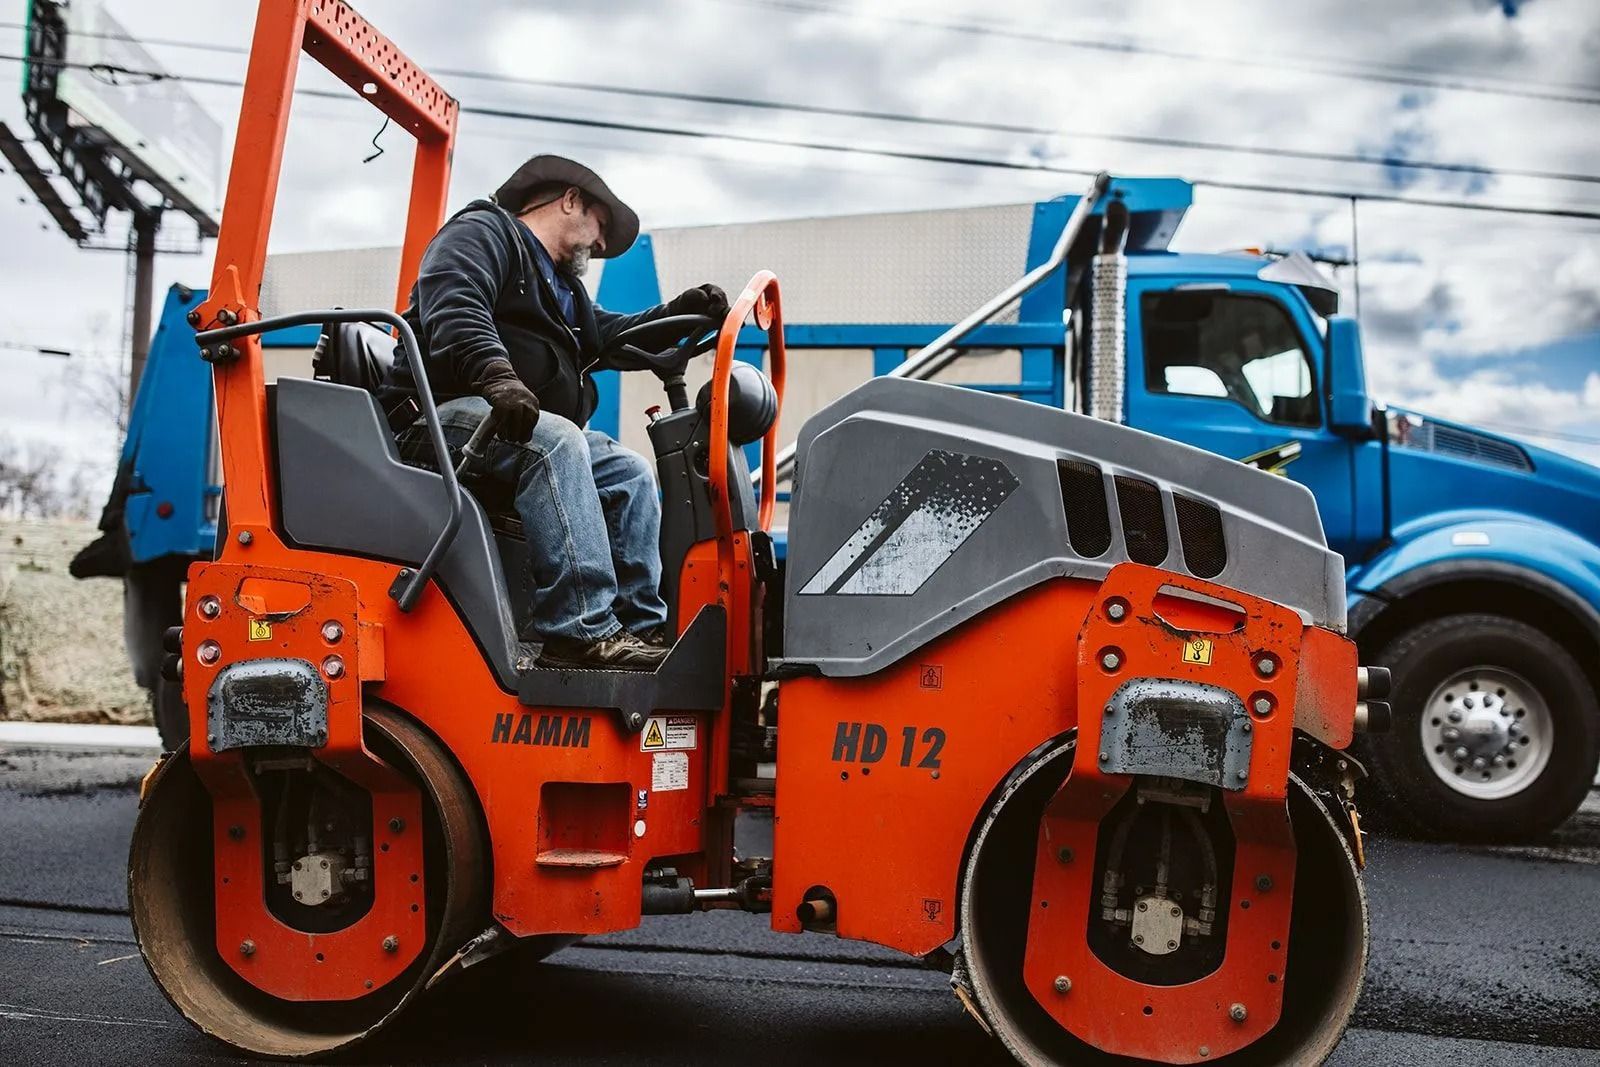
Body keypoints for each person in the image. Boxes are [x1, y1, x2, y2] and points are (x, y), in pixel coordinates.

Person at [392, 155, 727, 670]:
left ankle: (639, 627)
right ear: (570, 200)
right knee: (558, 442)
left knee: (628, 472)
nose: (599, 244)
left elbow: (614, 337)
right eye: (600, 227)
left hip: (507, 428)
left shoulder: (563, 292)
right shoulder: (484, 232)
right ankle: (581, 631)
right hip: (436, 424)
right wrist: (498, 376)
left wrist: (677, 314)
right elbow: (456, 303)